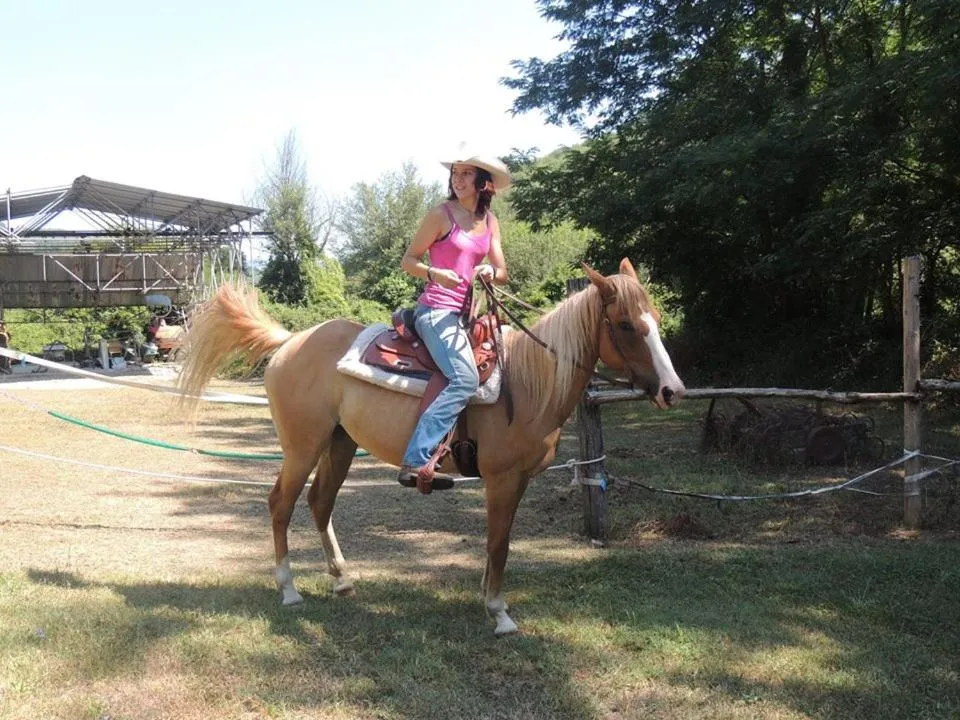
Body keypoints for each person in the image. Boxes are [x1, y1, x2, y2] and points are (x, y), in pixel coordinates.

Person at [397, 150, 512, 488]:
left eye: (465, 174)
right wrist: (434, 273)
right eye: (455, 173)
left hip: (468, 315)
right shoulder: (440, 214)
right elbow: (408, 259)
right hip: (435, 312)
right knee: (464, 379)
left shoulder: (490, 222)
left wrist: (492, 270)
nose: (457, 179)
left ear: (482, 182)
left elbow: (502, 270)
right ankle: (416, 460)